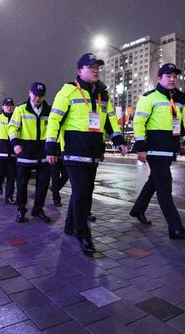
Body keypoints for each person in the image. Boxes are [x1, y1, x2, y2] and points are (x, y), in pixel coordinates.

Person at [46, 53, 127, 255]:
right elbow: (54, 120)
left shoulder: (102, 94)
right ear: (79, 71)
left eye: (97, 67)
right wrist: (50, 147)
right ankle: (84, 234)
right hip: (73, 152)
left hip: (92, 152)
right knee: (82, 193)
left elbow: (110, 120)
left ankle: (69, 225)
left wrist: (118, 139)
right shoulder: (68, 92)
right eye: (91, 67)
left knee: (84, 192)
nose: (95, 70)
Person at [129, 63, 185, 240]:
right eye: (168, 76)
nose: (173, 79)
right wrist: (141, 148)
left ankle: (137, 210)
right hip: (154, 151)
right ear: (159, 78)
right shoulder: (149, 98)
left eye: (175, 76)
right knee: (165, 189)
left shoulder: (178, 100)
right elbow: (138, 123)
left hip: (169, 150)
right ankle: (175, 228)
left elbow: (184, 124)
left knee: (154, 182)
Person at [8, 82, 52, 223]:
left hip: (43, 155)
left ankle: (38, 209)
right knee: (22, 184)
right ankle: (21, 209)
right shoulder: (21, 109)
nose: (37, 99)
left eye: (40, 96)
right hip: (25, 154)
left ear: (44, 96)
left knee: (43, 184)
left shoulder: (49, 111)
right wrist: (15, 144)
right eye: (35, 95)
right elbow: (12, 127)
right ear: (29, 93)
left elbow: (53, 130)